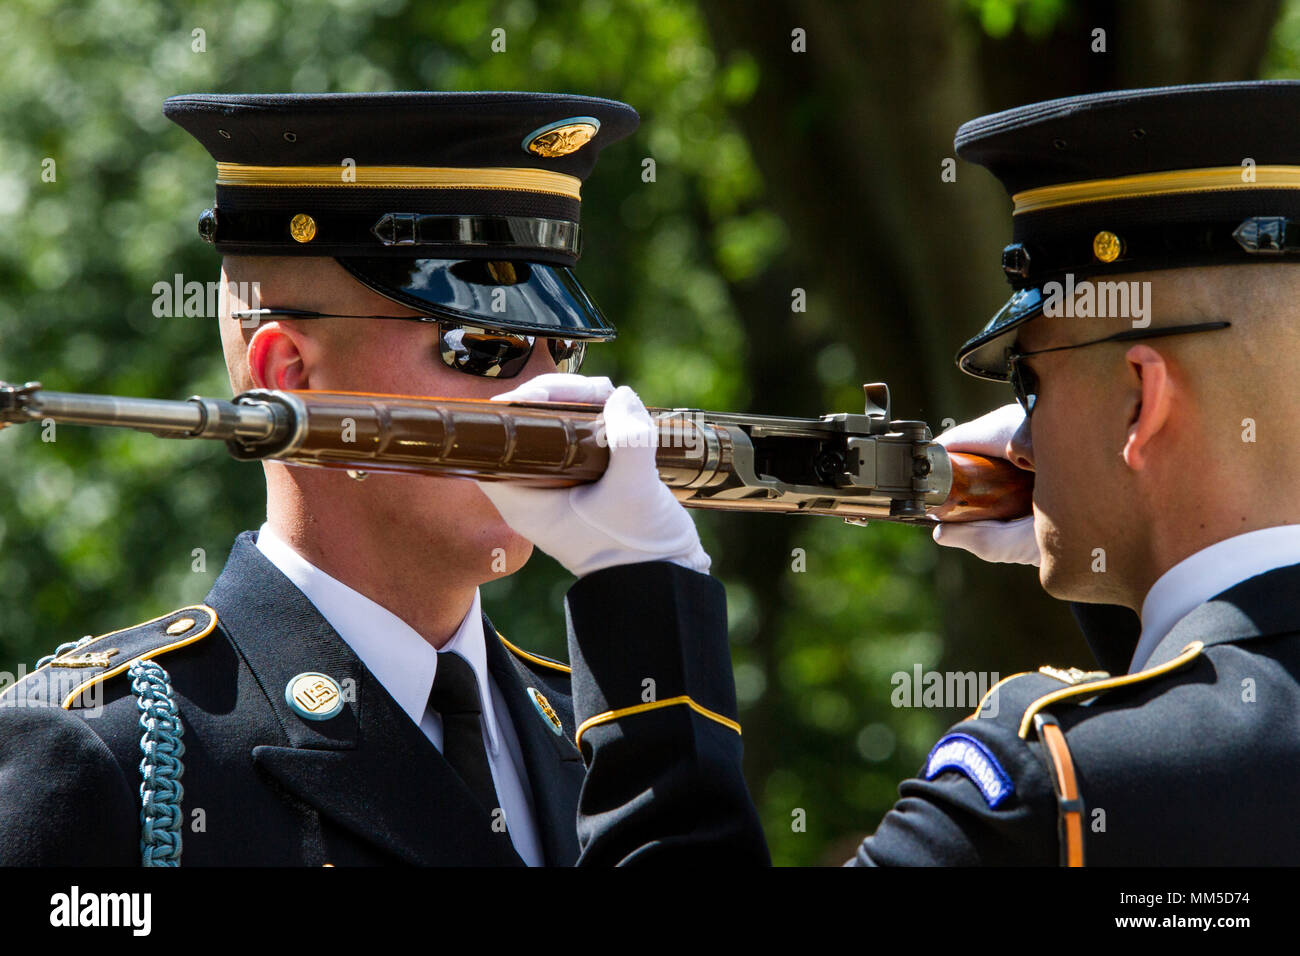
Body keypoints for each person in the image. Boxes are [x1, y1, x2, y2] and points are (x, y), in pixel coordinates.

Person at [486, 80, 1300, 866]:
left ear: (1140, 405)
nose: (1024, 438)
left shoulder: (1048, 782)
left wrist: (639, 589)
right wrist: (1124, 562)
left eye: (1031, 384)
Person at [0, 92, 766, 866]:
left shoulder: (600, 729)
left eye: (561, 352)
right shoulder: (108, 754)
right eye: (485, 345)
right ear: (291, 376)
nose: (554, 395)